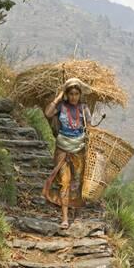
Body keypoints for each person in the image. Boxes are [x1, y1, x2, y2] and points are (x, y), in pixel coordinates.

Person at [42, 77, 92, 229]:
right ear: (67, 94)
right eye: (70, 93)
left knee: (77, 182)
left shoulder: (84, 109)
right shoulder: (61, 107)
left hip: (79, 149)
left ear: (80, 94)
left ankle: (76, 214)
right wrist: (58, 97)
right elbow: (48, 113)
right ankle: (64, 217)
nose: (73, 97)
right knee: (64, 182)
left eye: (76, 93)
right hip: (62, 149)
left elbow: (89, 130)